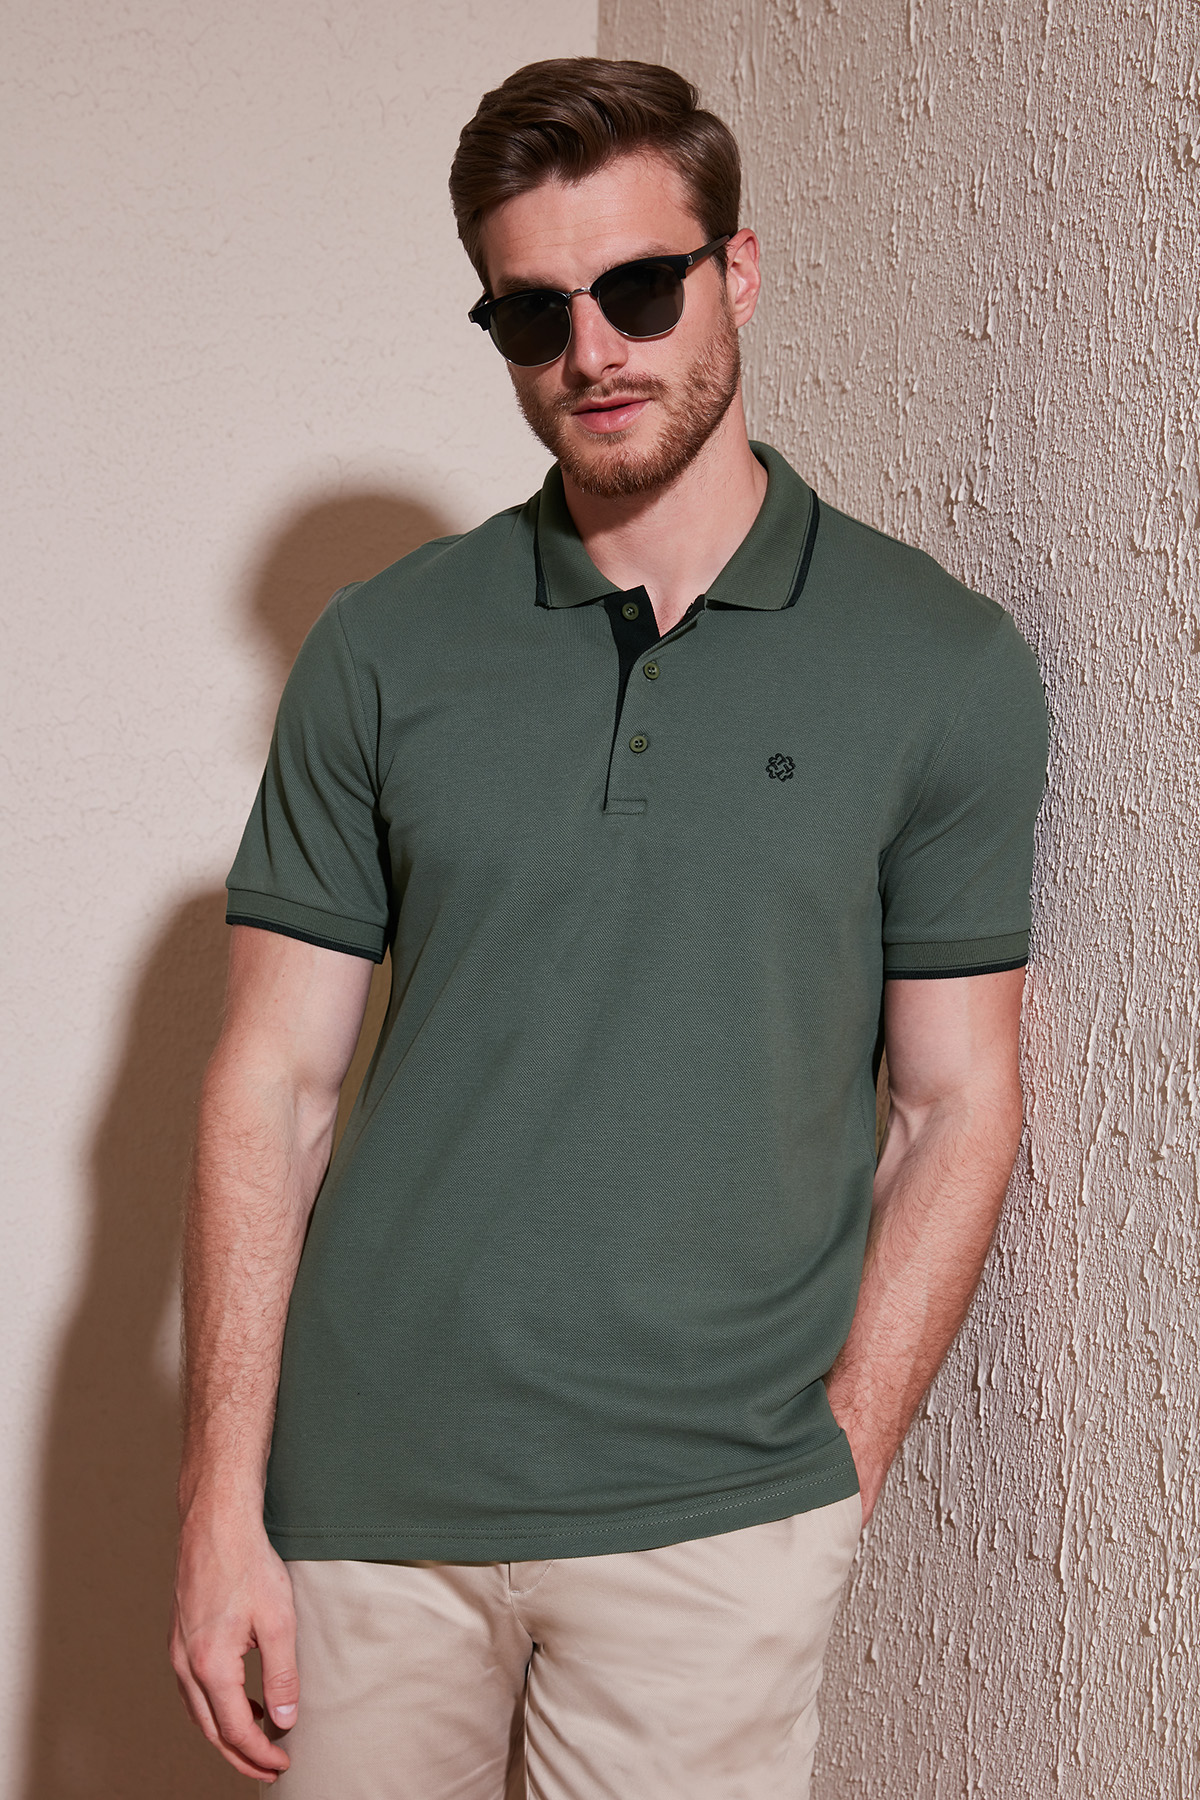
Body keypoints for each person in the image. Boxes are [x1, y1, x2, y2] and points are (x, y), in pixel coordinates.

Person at [170, 56, 1048, 1798]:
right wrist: (218, 1498)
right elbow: (271, 1083)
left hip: (715, 1526)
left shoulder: (937, 664)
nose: (594, 349)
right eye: (533, 311)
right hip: (368, 1501)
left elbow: (959, 1104)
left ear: (737, 272)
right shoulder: (381, 650)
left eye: (641, 286)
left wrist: (837, 1468)